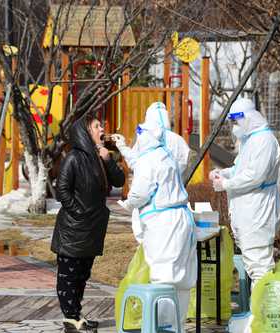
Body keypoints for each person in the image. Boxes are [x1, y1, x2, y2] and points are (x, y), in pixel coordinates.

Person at [117, 112, 197, 325]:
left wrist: (128, 203)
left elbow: (140, 192)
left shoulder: (149, 159)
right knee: (180, 279)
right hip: (181, 220)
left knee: (163, 278)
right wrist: (124, 148)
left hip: (164, 225)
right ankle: (176, 326)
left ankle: (161, 326)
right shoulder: (164, 154)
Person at [51, 114, 125, 333]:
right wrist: (78, 212)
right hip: (74, 228)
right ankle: (70, 318)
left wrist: (108, 160)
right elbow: (61, 190)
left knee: (83, 274)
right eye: (96, 126)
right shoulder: (73, 157)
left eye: (101, 125)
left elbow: (119, 181)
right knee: (69, 275)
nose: (101, 128)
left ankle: (76, 315)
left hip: (92, 228)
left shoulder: (99, 157)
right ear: (85, 132)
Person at [209, 97, 280, 288]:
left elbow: (255, 176)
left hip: (258, 211)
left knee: (260, 267)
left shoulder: (264, 141)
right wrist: (223, 173)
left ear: (248, 118)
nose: (234, 127)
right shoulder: (251, 140)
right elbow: (240, 168)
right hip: (248, 212)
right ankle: (256, 311)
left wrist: (226, 184)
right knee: (253, 264)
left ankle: (261, 313)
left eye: (236, 121)